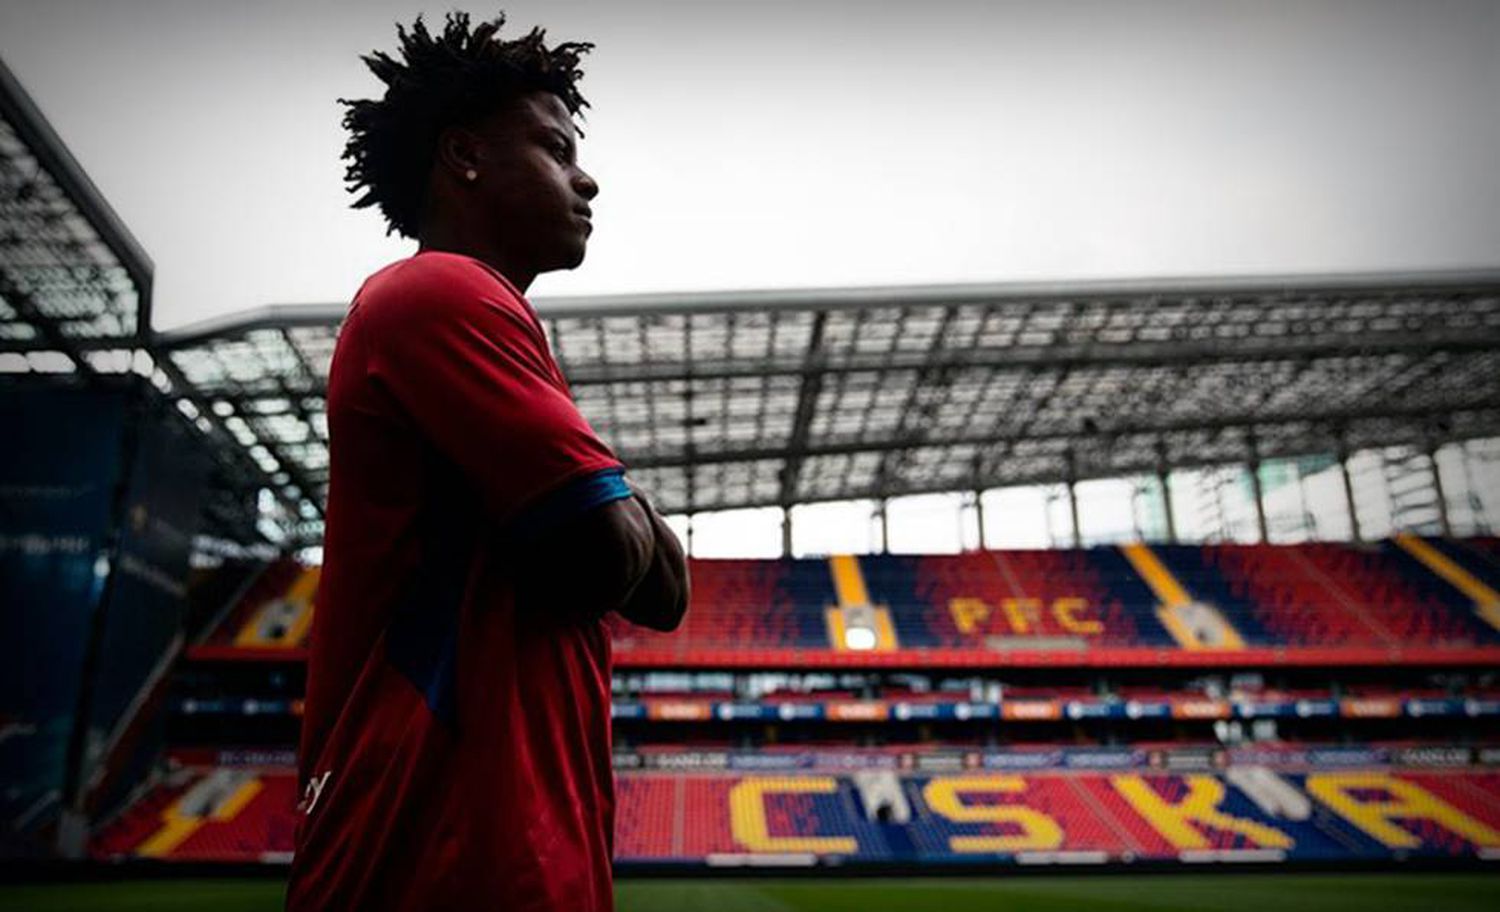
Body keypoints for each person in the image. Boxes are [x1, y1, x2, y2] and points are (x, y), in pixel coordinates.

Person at [286, 12, 688, 911]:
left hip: (492, 855)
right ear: (465, 155)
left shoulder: (485, 322)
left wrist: (603, 509)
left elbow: (667, 595)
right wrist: (607, 503)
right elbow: (615, 556)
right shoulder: (438, 292)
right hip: (440, 859)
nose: (587, 178)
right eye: (556, 148)